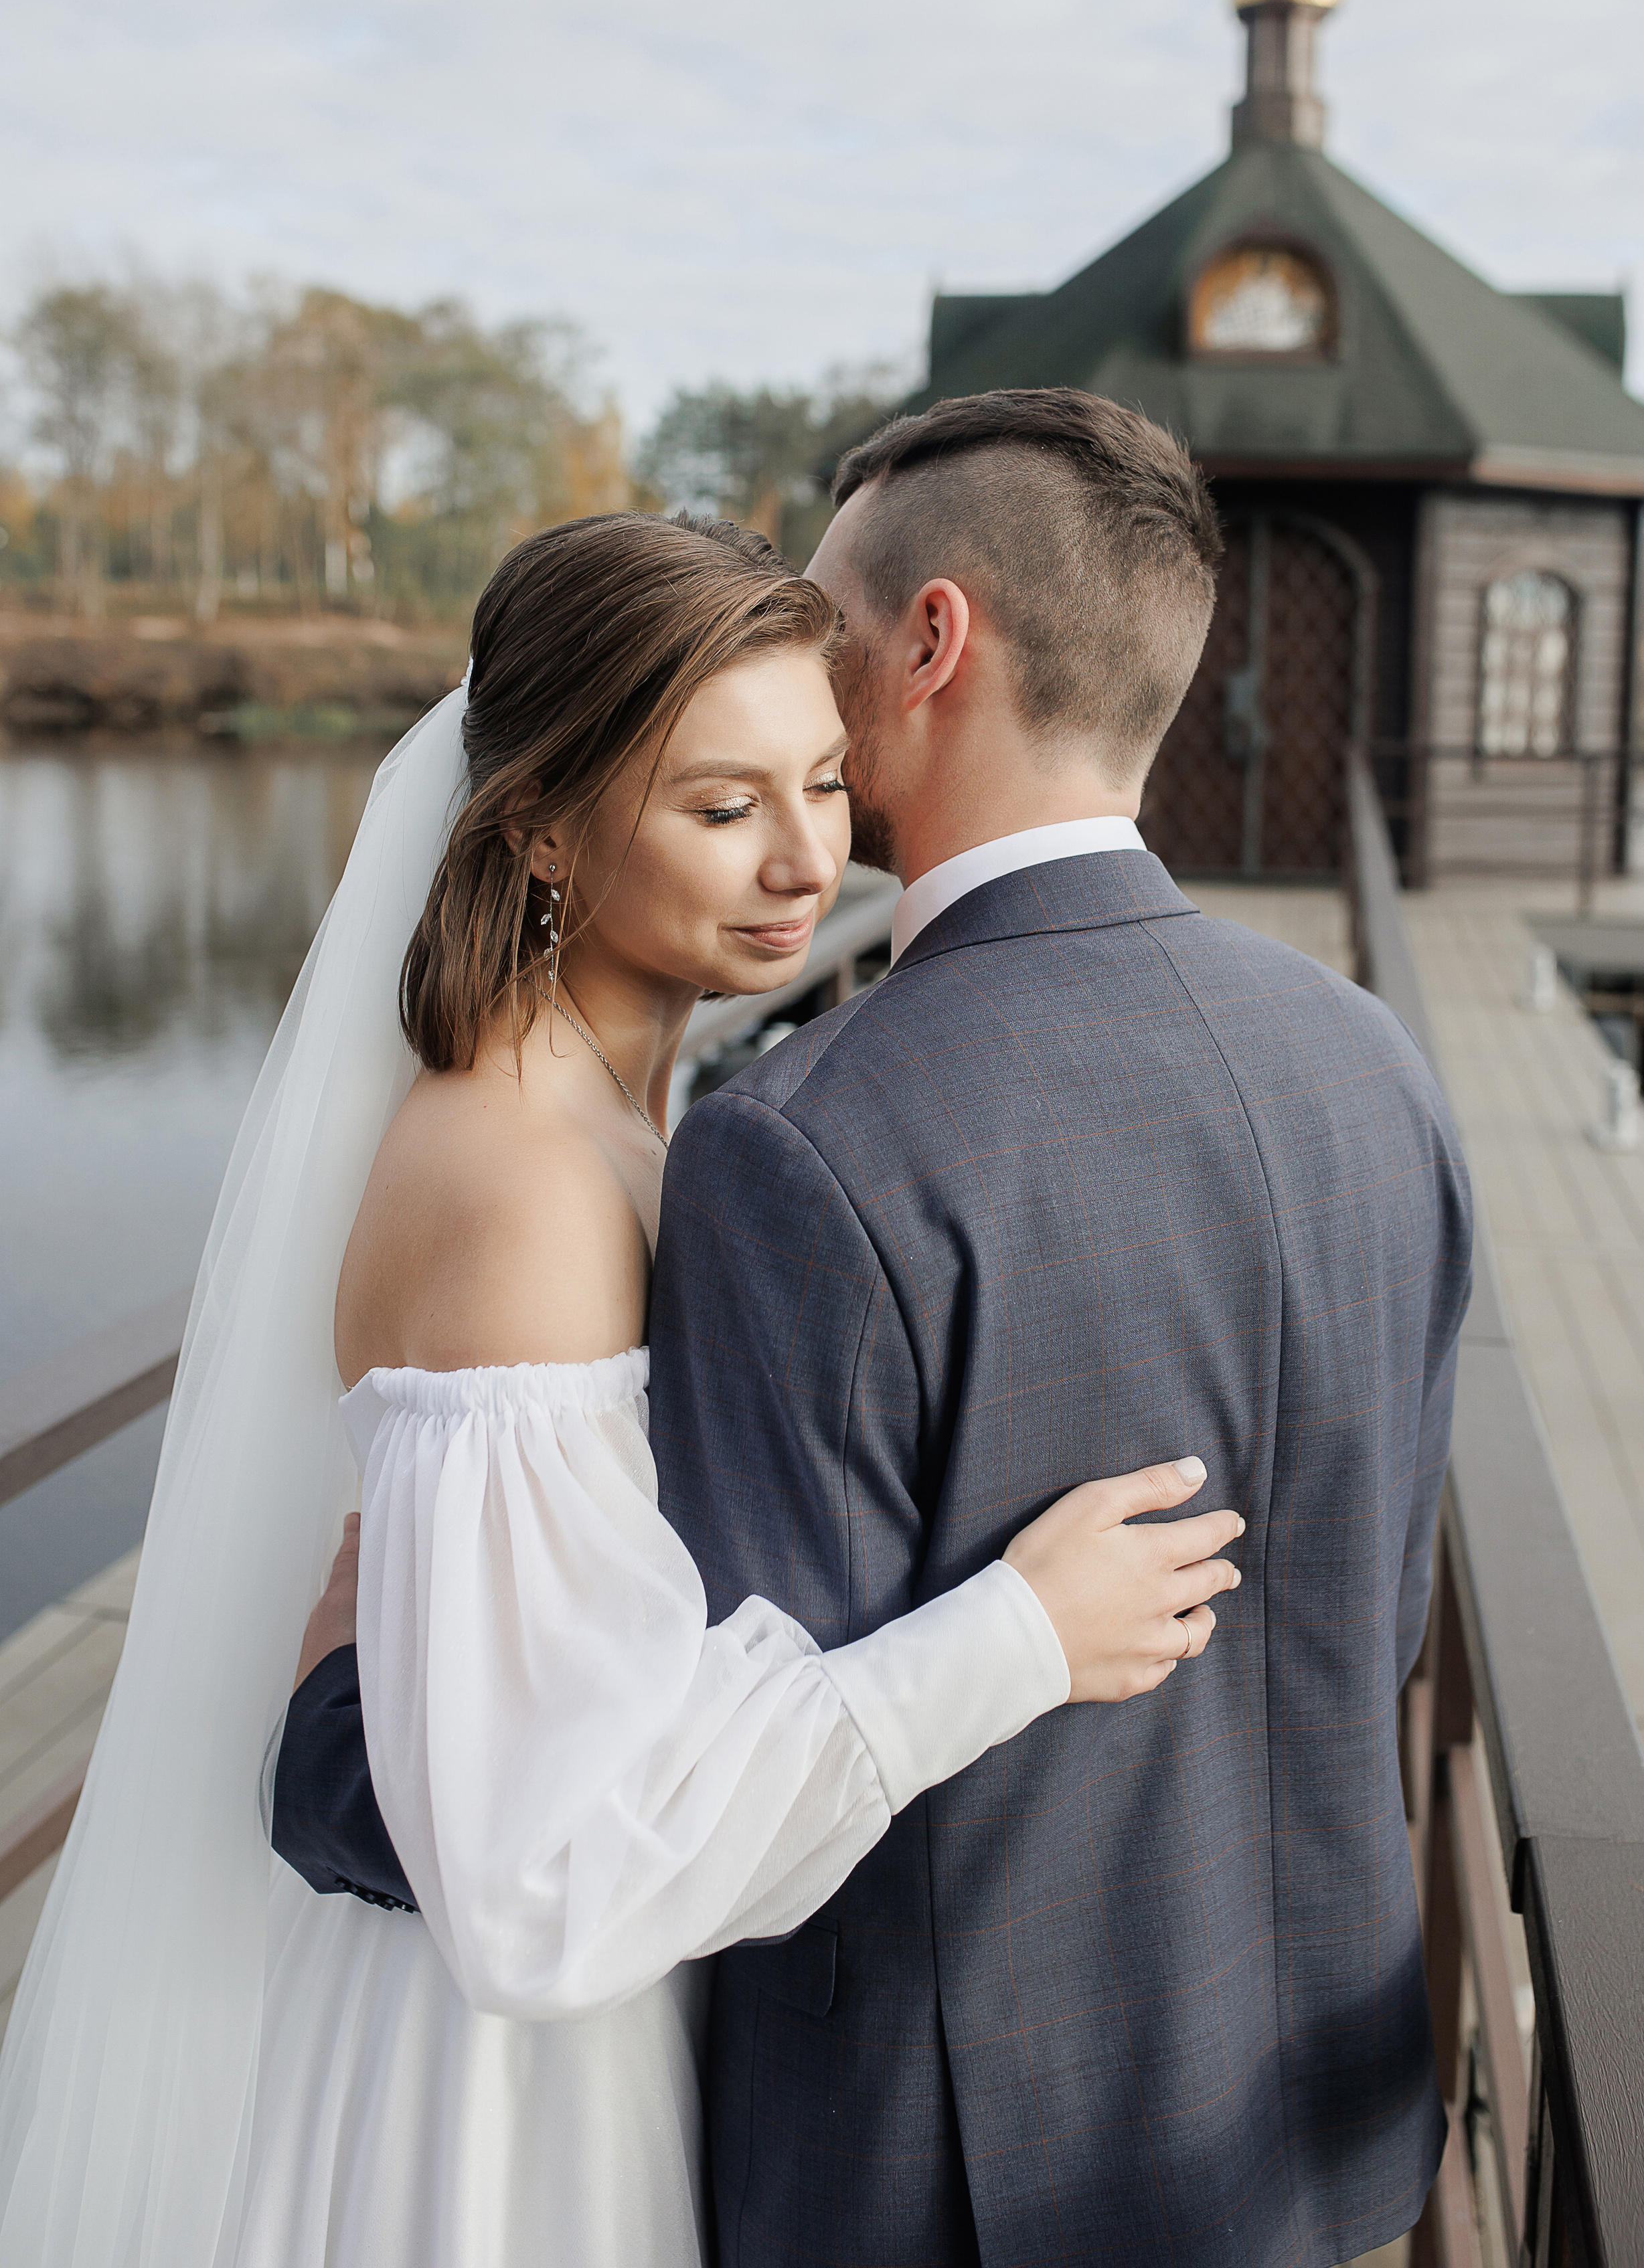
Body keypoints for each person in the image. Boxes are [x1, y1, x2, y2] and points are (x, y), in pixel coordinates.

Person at [283, 386, 1475, 2267]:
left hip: (959, 2178)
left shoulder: (805, 1150)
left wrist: (345, 1749)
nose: (811, 709)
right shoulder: (1378, 1067)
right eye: (728, 790)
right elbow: (1363, 1624)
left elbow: (664, 1768)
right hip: (1303, 2126)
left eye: (828, 631)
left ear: (931, 643)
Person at [0, 503, 1242, 2268]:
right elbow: (538, 1884)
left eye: (824, 781)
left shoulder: (612, 1108)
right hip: (501, 2104)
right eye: (722, 807)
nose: (806, 862)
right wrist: (1021, 1636)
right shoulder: (523, 1188)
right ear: (547, 837)